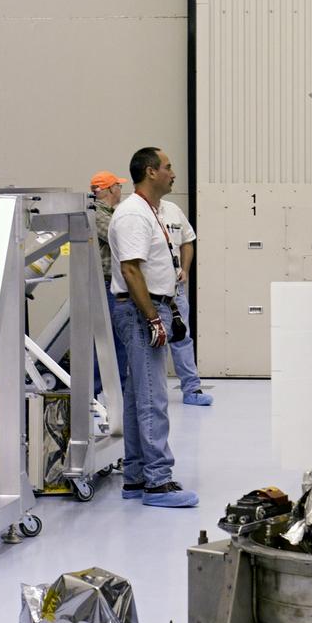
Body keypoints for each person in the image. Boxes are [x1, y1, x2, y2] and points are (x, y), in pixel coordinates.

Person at [108, 147, 198, 507]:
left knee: (137, 396)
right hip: (140, 310)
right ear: (150, 172)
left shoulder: (154, 211)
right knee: (152, 398)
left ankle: (135, 477)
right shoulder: (133, 215)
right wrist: (152, 318)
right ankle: (158, 482)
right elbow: (131, 270)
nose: (173, 173)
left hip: (151, 306)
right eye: (168, 167)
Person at [159, 197, 213, 406]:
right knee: (156, 342)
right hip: (151, 291)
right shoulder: (138, 211)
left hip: (176, 289)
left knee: (182, 337)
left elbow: (188, 242)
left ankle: (192, 389)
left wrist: (185, 270)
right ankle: (155, 392)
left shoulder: (173, 209)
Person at [89, 170, 129, 393]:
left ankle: (120, 389)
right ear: (109, 190)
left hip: (115, 284)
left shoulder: (112, 213)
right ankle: (95, 391)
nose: (120, 190)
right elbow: (119, 235)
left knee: (119, 338)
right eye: (118, 186)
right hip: (106, 285)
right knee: (106, 340)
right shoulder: (96, 214)